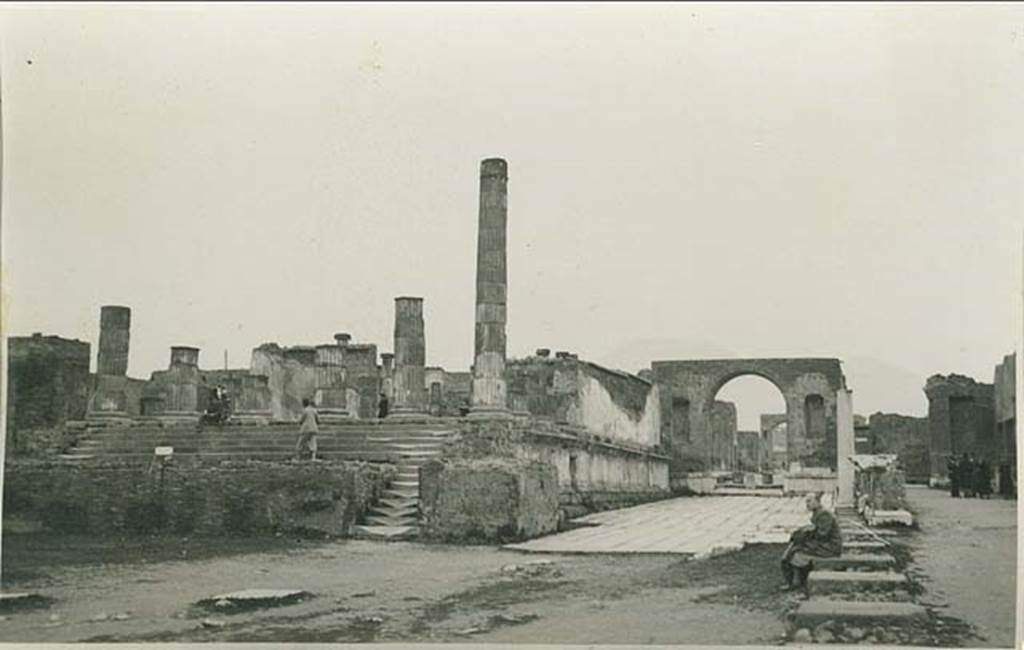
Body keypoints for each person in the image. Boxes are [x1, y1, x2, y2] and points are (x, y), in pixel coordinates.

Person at [780, 493, 842, 593]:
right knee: (795, 547)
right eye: (806, 501)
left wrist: (807, 535)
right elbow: (817, 531)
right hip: (824, 544)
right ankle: (795, 581)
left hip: (830, 547)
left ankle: (795, 582)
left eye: (809, 501)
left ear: (817, 502)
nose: (807, 504)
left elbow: (822, 535)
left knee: (796, 550)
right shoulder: (818, 512)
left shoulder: (824, 514)